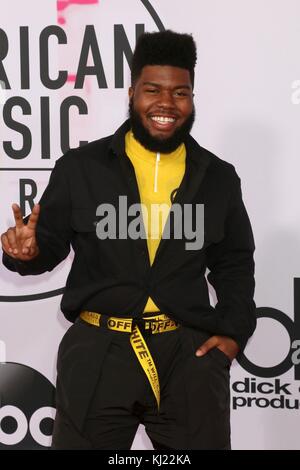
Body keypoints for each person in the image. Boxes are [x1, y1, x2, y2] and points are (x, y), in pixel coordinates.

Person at [1, 30, 256, 450]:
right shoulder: (81, 168)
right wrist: (25, 252)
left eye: (180, 92)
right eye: (152, 90)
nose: (166, 104)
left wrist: (231, 333)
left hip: (186, 356)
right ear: (132, 92)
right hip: (98, 352)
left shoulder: (218, 177)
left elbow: (234, 262)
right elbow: (46, 241)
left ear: (192, 97)